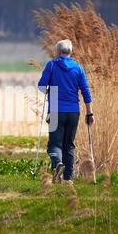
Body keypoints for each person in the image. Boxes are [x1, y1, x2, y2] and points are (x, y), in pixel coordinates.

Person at [38, 39, 94, 183]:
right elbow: (86, 91)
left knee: (54, 144)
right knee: (69, 145)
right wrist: (89, 113)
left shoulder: (51, 65)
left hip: (56, 109)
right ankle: (68, 178)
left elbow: (42, 87)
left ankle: (58, 164)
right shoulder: (78, 68)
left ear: (58, 51)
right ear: (70, 52)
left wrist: (50, 88)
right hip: (73, 111)